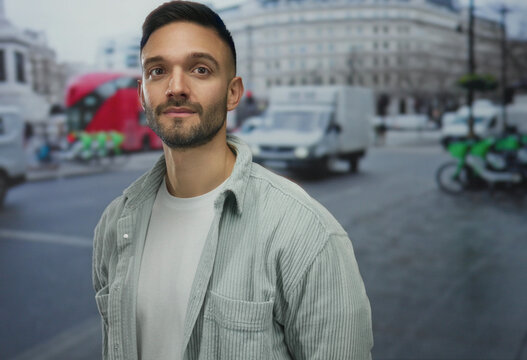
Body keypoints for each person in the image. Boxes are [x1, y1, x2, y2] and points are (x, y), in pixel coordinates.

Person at [92, 2, 373, 359]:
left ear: (233, 92)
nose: (176, 87)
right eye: (158, 71)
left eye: (200, 69)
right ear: (142, 94)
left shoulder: (306, 234)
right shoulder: (115, 225)